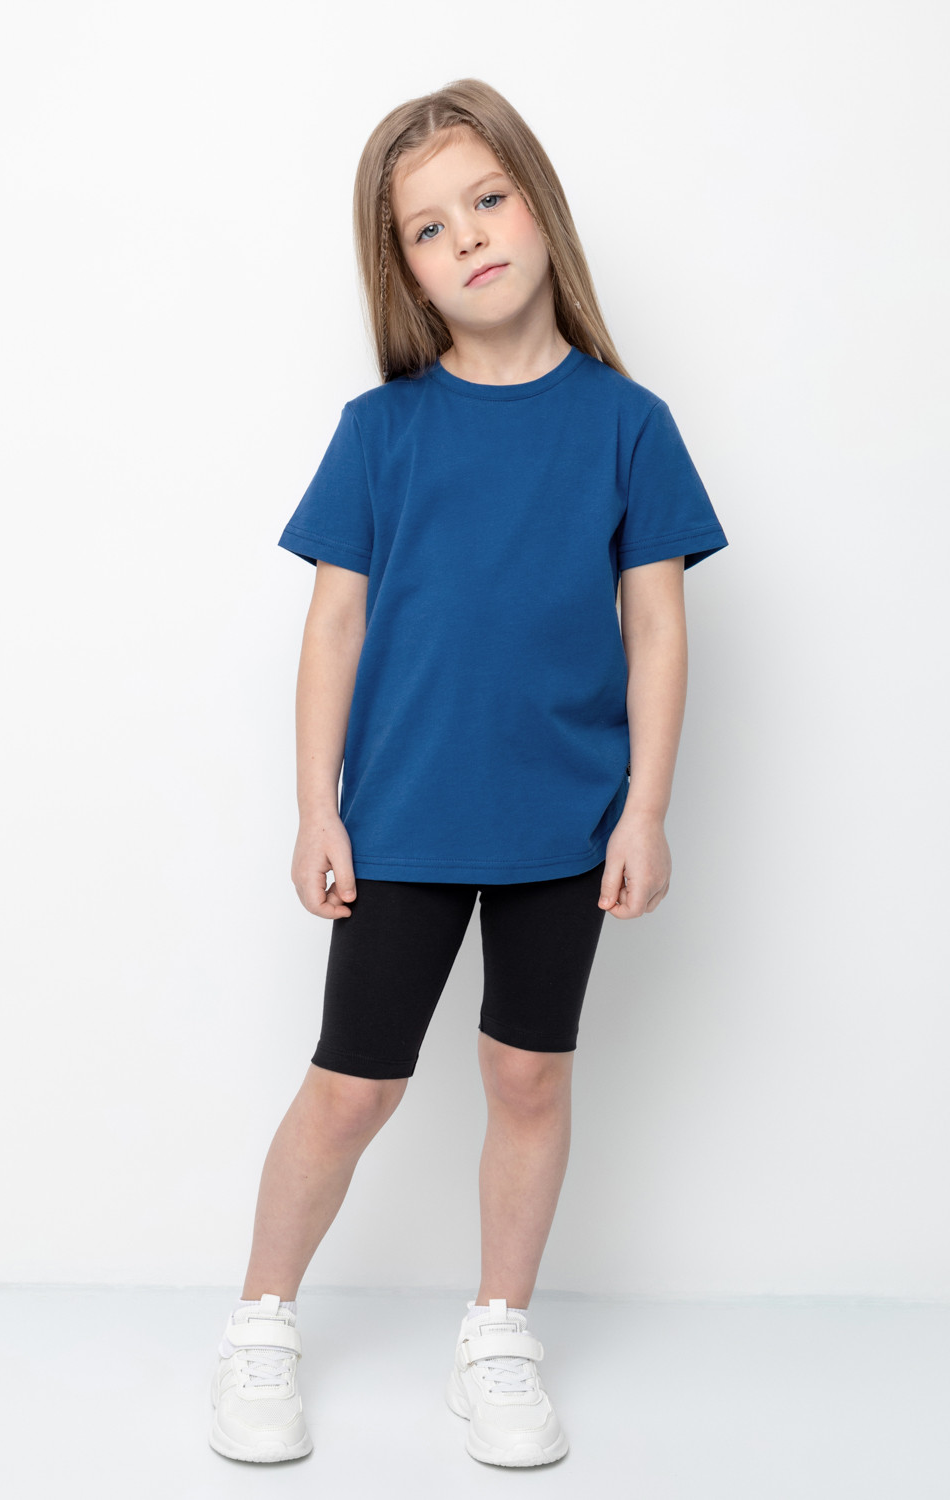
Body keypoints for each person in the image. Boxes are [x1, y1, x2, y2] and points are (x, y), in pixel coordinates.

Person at [208, 77, 729, 1470]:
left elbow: (659, 628)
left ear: (538, 205)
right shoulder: (381, 430)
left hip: (568, 824)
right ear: (406, 270)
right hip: (401, 823)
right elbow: (333, 627)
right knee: (352, 1087)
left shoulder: (629, 424)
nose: (471, 237)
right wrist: (316, 807)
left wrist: (647, 809)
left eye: (488, 200)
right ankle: (261, 1320)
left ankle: (499, 1331)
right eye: (431, 228)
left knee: (529, 1076)